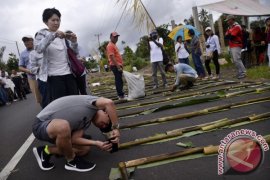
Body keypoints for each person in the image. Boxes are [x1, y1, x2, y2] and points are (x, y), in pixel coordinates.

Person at [32, 95, 120, 172]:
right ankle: (71, 161)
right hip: (41, 125)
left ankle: (46, 151)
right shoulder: (92, 103)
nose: (103, 126)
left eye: (103, 127)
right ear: (105, 112)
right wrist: (115, 128)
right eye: (106, 123)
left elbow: (75, 139)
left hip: (55, 128)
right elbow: (109, 103)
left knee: (84, 150)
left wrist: (96, 143)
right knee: (63, 126)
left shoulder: (87, 120)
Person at [34, 8, 78, 103]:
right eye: (53, 20)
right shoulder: (41, 34)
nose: (56, 23)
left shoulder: (63, 36)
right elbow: (38, 48)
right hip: (54, 76)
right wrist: (53, 35)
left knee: (74, 101)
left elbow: (75, 53)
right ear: (46, 22)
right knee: (61, 104)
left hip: (69, 73)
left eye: (58, 20)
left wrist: (74, 42)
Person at [19, 35, 42, 106]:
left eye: (28, 40)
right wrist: (28, 71)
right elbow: (20, 67)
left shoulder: (39, 49)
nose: (26, 42)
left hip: (43, 74)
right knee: (39, 97)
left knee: (49, 93)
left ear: (32, 40)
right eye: (25, 41)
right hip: (32, 78)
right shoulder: (23, 54)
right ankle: (45, 111)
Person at [65, 30, 88, 95]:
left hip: (79, 71)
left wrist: (79, 59)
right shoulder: (64, 46)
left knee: (82, 90)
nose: (69, 38)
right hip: (70, 72)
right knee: (75, 92)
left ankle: (85, 104)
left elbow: (83, 58)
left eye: (70, 36)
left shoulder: (76, 45)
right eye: (67, 36)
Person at [225, 15, 246, 79]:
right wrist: (229, 35)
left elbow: (232, 37)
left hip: (236, 45)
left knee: (237, 59)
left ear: (231, 19)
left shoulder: (237, 26)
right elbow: (226, 37)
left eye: (228, 20)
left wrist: (229, 35)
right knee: (234, 60)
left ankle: (243, 72)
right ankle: (239, 72)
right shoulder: (230, 27)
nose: (227, 22)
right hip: (231, 45)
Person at [106, 32, 126, 100]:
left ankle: (121, 94)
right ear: (111, 37)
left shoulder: (113, 45)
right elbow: (112, 57)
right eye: (114, 37)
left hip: (117, 65)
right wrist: (118, 67)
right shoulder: (110, 45)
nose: (116, 38)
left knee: (119, 80)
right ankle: (120, 95)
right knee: (118, 80)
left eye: (117, 37)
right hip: (115, 66)